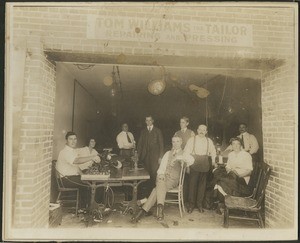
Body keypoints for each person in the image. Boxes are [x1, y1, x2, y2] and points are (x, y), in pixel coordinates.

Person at [132, 136, 194, 223]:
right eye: (173, 142)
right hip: (163, 178)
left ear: (181, 142)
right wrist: (161, 174)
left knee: (157, 188)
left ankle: (144, 210)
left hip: (173, 180)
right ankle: (160, 211)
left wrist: (177, 157)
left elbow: (191, 160)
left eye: (177, 142)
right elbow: (161, 168)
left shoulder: (184, 154)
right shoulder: (168, 153)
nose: (175, 144)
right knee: (160, 182)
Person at [56, 131, 101, 209]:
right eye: (71, 139)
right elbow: (76, 161)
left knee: (89, 181)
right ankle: (87, 208)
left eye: (75, 139)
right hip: (65, 180)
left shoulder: (72, 151)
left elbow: (76, 167)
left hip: (71, 177)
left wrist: (84, 176)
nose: (73, 141)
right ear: (66, 140)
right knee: (90, 185)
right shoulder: (65, 151)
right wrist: (92, 157)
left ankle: (89, 206)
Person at [213, 137, 253, 213]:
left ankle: (223, 203)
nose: (236, 146)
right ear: (231, 145)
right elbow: (228, 166)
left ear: (241, 145)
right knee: (219, 175)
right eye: (233, 144)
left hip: (242, 178)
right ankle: (227, 203)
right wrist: (229, 170)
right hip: (231, 177)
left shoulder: (246, 155)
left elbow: (249, 171)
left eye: (238, 144)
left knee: (220, 181)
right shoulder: (231, 154)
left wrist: (239, 175)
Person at [184, 124, 216, 213]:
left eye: (204, 130)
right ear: (197, 130)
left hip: (205, 163)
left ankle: (199, 205)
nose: (202, 131)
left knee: (202, 186)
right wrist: (187, 165)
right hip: (194, 162)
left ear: (206, 132)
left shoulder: (209, 141)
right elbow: (186, 152)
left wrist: (213, 161)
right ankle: (191, 205)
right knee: (192, 185)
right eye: (200, 129)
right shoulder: (191, 140)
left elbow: (213, 151)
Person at [137, 115, 164, 195]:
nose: (148, 122)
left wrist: (160, 157)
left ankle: (154, 195)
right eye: (146, 120)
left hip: (155, 158)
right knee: (146, 176)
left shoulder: (157, 131)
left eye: (150, 120)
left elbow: (161, 145)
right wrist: (138, 156)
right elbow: (140, 145)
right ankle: (147, 196)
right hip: (145, 157)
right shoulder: (143, 131)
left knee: (154, 175)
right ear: (145, 121)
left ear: (153, 121)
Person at [174, 116, 195, 204]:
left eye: (183, 122)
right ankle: (181, 199)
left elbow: (193, 146)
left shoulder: (191, 133)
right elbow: (174, 145)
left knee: (188, 178)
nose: (181, 124)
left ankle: (187, 200)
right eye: (180, 122)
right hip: (179, 157)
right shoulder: (177, 133)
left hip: (188, 157)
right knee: (180, 177)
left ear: (187, 123)